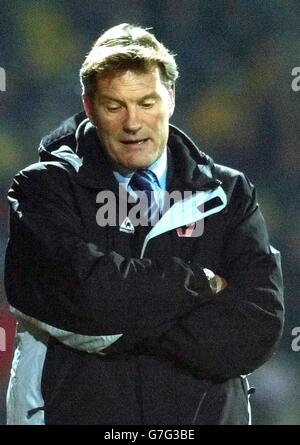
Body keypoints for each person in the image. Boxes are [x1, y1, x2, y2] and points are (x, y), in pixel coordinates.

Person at [5, 23, 284, 425]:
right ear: (88, 106)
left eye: (147, 103)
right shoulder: (44, 189)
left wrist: (121, 313)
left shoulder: (230, 193)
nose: (132, 123)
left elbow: (254, 333)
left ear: (170, 99)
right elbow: (87, 295)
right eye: (114, 106)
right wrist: (200, 285)